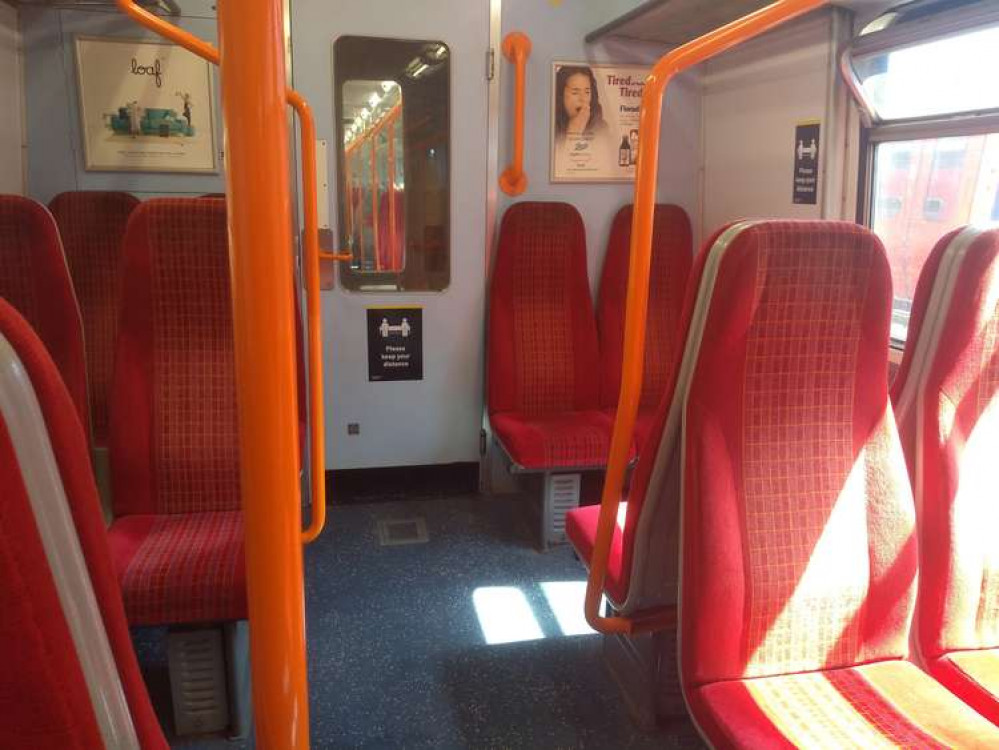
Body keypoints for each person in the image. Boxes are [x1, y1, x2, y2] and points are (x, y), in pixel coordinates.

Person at [553, 65, 607, 141]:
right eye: (575, 92)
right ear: (560, 95)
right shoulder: (550, 125)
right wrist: (573, 131)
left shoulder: (601, 128)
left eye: (587, 92)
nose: (583, 99)